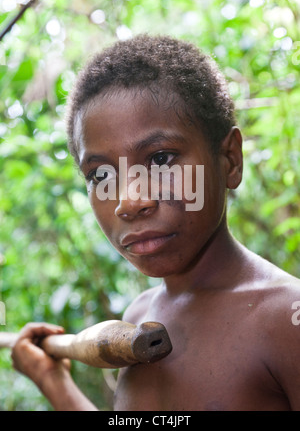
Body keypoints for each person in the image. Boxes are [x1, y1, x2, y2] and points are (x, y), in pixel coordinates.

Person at [11, 35, 300, 411]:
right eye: (101, 176)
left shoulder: (285, 321)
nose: (129, 202)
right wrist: (53, 382)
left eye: (161, 159)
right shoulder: (137, 319)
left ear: (229, 160)